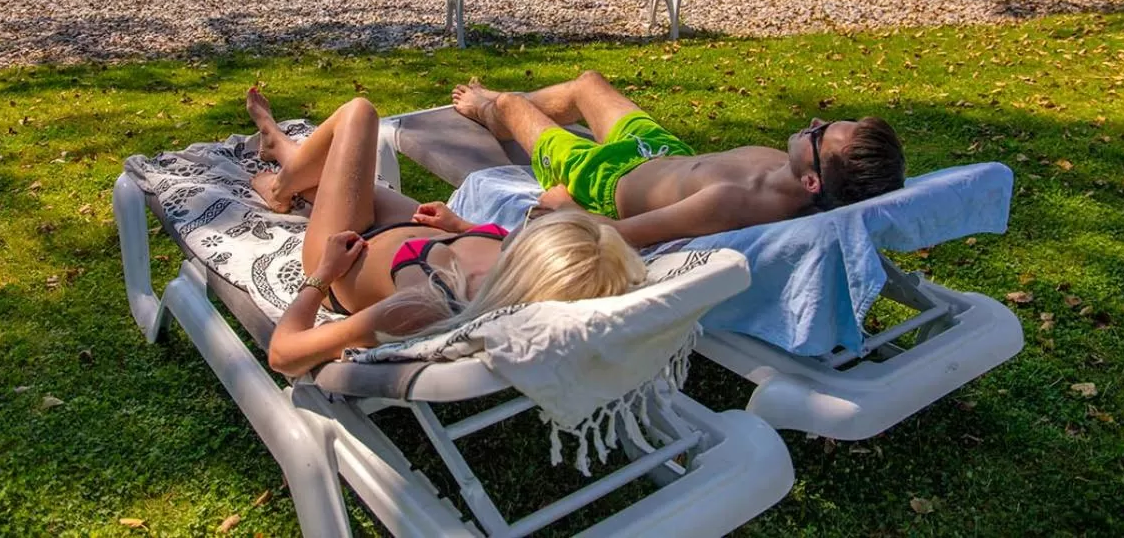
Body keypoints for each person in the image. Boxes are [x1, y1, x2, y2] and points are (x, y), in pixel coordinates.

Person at [245, 89, 646, 377]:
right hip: (412, 230)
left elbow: (285, 354)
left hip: (343, 254)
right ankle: (278, 147)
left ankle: (279, 186)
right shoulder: (515, 268)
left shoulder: (423, 306)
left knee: (359, 114)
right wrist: (461, 228)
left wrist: (321, 277)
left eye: (539, 223)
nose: (537, 214)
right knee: (335, 179)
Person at [450, 71, 906, 248]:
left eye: (821, 133)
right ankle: (510, 114)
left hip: (602, 179)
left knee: (510, 101)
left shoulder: (731, 202)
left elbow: (619, 236)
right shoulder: (790, 172)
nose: (814, 119)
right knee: (588, 84)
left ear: (812, 183)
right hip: (660, 151)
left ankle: (489, 110)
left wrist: (563, 206)